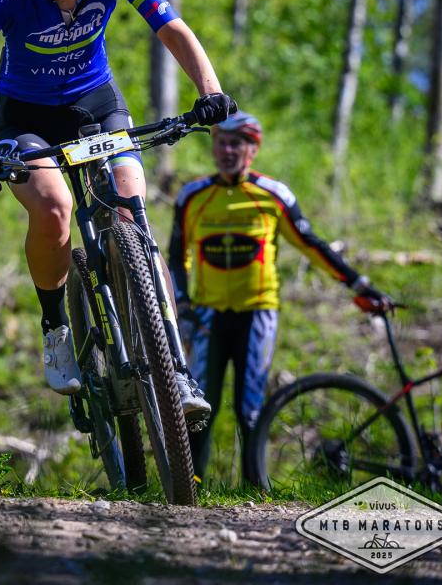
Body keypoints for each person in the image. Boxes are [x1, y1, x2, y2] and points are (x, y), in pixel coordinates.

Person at [0, 0, 235, 426]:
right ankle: (56, 327)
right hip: (26, 118)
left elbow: (172, 29)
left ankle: (172, 365)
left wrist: (210, 91)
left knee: (132, 211)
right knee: (55, 208)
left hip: (96, 105)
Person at [168, 112, 395, 482]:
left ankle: (255, 489)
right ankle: (189, 490)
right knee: (198, 407)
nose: (227, 151)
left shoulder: (274, 195)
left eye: (236, 144)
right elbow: (177, 257)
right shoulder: (192, 196)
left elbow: (311, 245)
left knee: (250, 409)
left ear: (252, 150)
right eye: (221, 142)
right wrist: (182, 304)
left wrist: (359, 284)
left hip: (257, 313)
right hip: (207, 316)